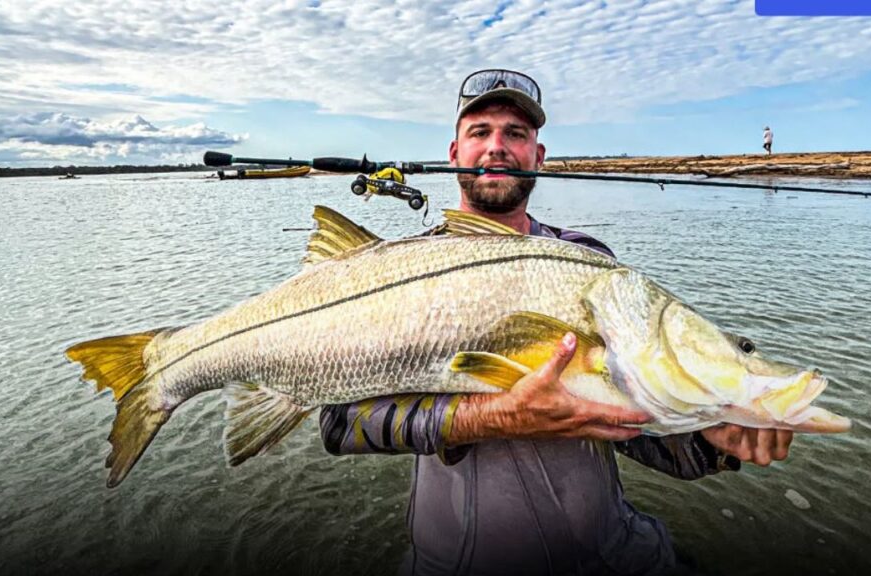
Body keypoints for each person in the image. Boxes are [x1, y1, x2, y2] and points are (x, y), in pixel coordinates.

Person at [320, 69, 794, 576]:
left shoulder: (588, 261)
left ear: (537, 157)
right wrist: (489, 417)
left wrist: (705, 434)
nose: (496, 147)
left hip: (619, 555)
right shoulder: (397, 271)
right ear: (454, 152)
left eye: (516, 134)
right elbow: (339, 423)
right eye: (480, 132)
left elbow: (634, 430)